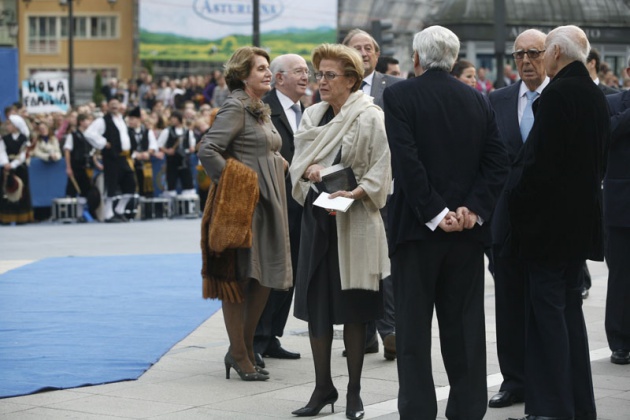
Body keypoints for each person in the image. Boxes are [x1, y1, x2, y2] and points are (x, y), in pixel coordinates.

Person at [383, 25, 508, 420]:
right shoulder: (477, 99)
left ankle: (418, 411)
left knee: (414, 331)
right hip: (467, 236)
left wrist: (437, 214)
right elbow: (497, 161)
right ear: (454, 60)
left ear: (416, 58)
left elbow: (408, 163)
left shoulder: (399, 94)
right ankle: (468, 410)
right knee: (466, 329)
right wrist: (471, 209)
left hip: (416, 232)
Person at [505, 25, 609, 420]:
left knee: (547, 319)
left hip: (547, 230)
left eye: (544, 50)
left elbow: (538, 170)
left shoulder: (559, 95)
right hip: (577, 228)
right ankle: (578, 405)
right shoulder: (594, 96)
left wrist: (515, 200)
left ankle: (551, 408)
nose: (540, 57)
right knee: (568, 316)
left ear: (558, 54)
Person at [289, 43, 391, 420]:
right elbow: (298, 165)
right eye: (320, 75)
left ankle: (353, 393)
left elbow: (381, 169)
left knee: (353, 309)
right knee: (318, 308)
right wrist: (312, 172)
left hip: (355, 218)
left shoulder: (369, 116)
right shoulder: (312, 115)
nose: (321, 82)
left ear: (352, 80)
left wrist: (353, 189)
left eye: (330, 75)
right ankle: (322, 388)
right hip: (319, 219)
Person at [198, 46, 292, 382]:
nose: (268, 73)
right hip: (246, 207)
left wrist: (278, 163)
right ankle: (238, 352)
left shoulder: (259, 109)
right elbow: (207, 149)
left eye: (268, 68)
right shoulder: (236, 106)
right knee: (240, 280)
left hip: (270, 205)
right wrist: (235, 185)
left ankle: (245, 346)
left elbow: (263, 148)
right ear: (243, 75)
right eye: (261, 69)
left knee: (263, 278)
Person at [487, 28, 550, 410]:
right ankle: (514, 381)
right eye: (519, 55)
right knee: (508, 305)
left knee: (547, 305)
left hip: (550, 221)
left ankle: (547, 379)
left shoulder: (561, 98)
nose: (525, 61)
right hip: (505, 222)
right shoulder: (497, 99)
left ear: (550, 55)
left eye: (533, 53)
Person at [343, 27, 402, 360]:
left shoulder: (394, 87)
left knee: (385, 262)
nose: (364, 52)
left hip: (386, 190)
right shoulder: (335, 89)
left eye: (369, 48)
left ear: (377, 56)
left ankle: (389, 329)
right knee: (355, 262)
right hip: (348, 191)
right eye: (357, 47)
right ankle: (363, 333)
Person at [253, 54, 308, 367]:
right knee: (270, 273)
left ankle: (272, 334)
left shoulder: (310, 111)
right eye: (298, 71)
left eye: (307, 71)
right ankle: (255, 339)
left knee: (291, 274)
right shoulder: (263, 108)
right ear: (279, 78)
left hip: (302, 205)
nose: (306, 76)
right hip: (274, 204)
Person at [604, 57, 630, 366]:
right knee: (621, 275)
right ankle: (620, 340)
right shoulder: (613, 103)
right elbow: (604, 135)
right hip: (622, 205)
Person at [84, 97, 137, 223]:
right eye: (111, 104)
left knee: (130, 184)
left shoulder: (122, 120)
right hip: (112, 157)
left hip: (124, 157)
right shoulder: (102, 121)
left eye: (116, 104)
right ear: (107, 106)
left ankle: (119, 210)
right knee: (111, 185)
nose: (114, 106)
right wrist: (102, 143)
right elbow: (89, 133)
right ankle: (108, 214)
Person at [0, 115, 34, 225]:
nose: (7, 126)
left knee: (21, 191)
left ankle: (22, 218)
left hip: (19, 167)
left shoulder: (24, 139)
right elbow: (2, 151)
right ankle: (6, 218)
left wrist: (13, 164)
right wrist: (5, 163)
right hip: (6, 167)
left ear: (16, 126)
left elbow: (24, 154)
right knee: (6, 191)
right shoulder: (4, 138)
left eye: (9, 124)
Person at [157, 111, 196, 197]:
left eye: (174, 118)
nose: (172, 120)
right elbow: (159, 145)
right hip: (172, 161)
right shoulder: (167, 131)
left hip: (185, 161)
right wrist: (167, 151)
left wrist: (191, 149)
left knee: (188, 184)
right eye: (172, 118)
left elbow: (192, 146)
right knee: (171, 183)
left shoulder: (188, 131)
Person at [127, 107, 158, 198]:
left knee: (147, 186)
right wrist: (135, 155)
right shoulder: (126, 131)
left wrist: (148, 153)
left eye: (132, 119)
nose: (130, 121)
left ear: (139, 119)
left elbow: (153, 145)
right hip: (132, 163)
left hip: (145, 163)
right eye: (129, 119)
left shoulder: (147, 131)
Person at [64, 113, 95, 199]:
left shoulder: (90, 136)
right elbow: (67, 151)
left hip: (87, 167)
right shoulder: (72, 135)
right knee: (72, 190)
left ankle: (81, 211)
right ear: (81, 122)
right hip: (76, 167)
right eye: (87, 120)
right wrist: (68, 167)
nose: (89, 122)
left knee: (86, 191)